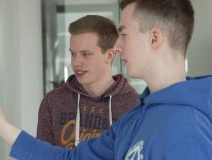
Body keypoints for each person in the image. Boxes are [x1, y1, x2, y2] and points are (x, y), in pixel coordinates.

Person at [0, 0, 212, 159]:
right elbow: (70, 159)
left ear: (155, 38)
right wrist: (3, 127)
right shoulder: (136, 118)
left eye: (124, 35)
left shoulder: (188, 128)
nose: (118, 46)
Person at [36, 15, 139, 148]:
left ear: (110, 55)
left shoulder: (134, 105)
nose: (76, 62)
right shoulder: (52, 102)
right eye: (73, 54)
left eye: (86, 54)